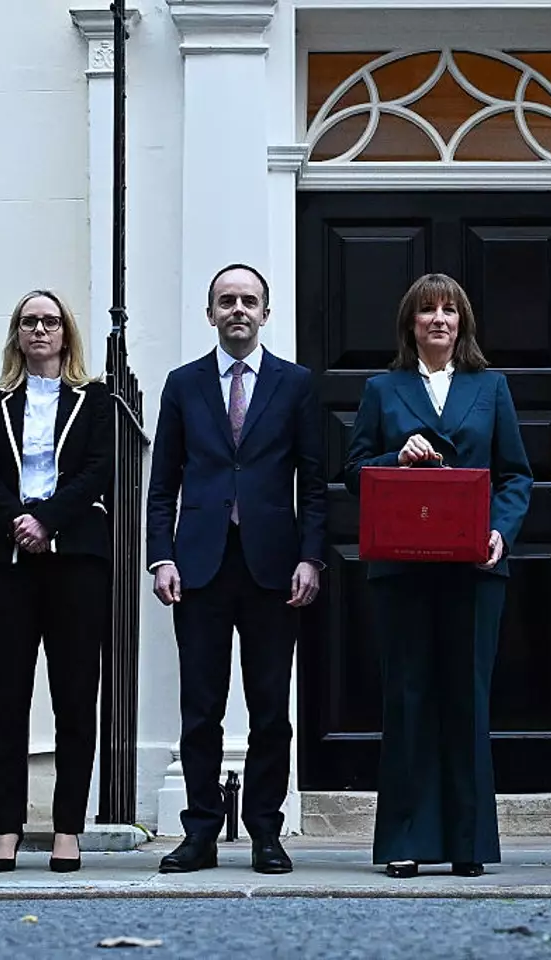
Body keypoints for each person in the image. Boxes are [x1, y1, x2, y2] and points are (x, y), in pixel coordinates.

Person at [344, 273, 531, 878]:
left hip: (475, 569)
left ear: (464, 323)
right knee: (409, 699)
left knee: (467, 701)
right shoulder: (382, 388)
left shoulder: (491, 387)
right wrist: (394, 457)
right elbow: (353, 470)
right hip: (402, 569)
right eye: (427, 312)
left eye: (450, 311)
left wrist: (500, 532)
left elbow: (515, 476)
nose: (439, 321)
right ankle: (406, 841)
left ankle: (467, 845)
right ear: (410, 324)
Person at [147, 263, 327, 875]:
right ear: (210, 313)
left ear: (267, 313)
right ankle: (198, 832)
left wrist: (311, 556)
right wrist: (161, 554)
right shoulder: (182, 384)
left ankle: (264, 831)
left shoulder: (295, 384)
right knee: (201, 708)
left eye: (249, 301)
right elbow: (161, 482)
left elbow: (315, 482)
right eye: (227, 301)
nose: (238, 310)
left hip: (274, 567)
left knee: (271, 708)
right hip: (198, 565)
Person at [0, 290, 113, 873]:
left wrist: (49, 519)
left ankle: (68, 829)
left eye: (50, 321)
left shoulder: (95, 399)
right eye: (29, 322)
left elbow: (97, 469)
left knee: (75, 696)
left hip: (75, 558)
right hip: (7, 563)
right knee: (4, 696)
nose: (39, 330)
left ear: (66, 333)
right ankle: (6, 827)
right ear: (16, 333)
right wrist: (16, 521)